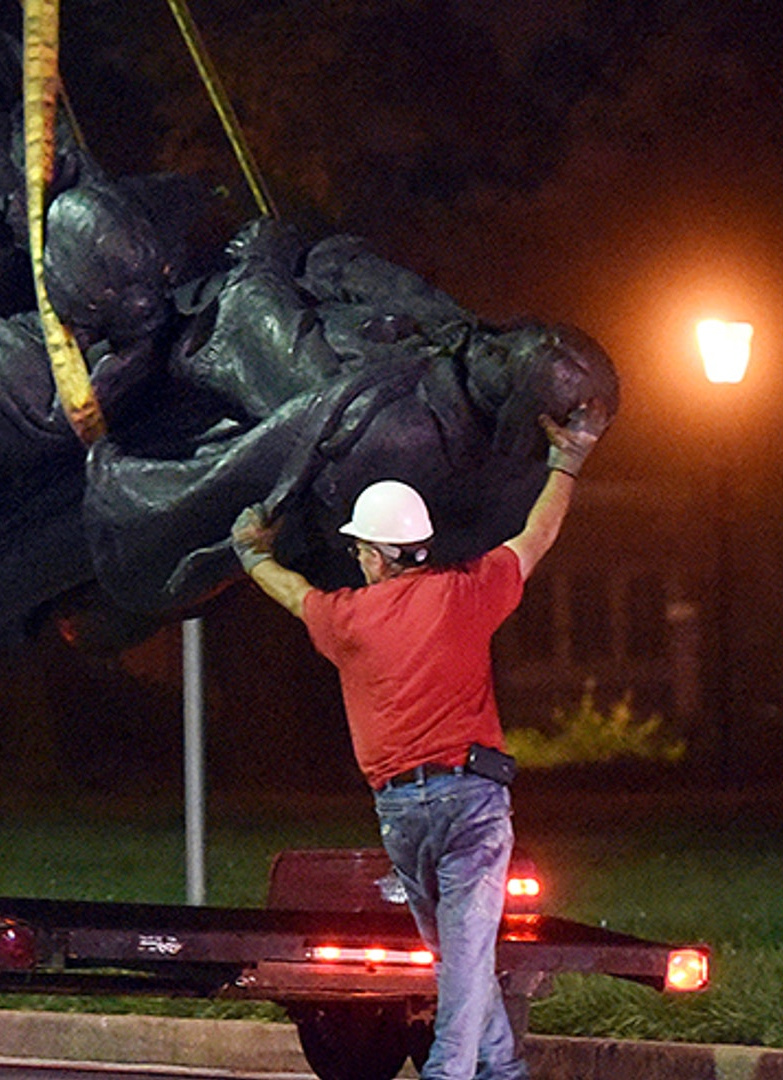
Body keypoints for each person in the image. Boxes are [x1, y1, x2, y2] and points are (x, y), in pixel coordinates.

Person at [229, 401, 609, 1080]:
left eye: (359, 549)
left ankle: (469, 1071)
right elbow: (538, 534)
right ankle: (479, 1068)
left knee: (459, 964)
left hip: (402, 816)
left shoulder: (349, 620)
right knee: (464, 966)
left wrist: (251, 554)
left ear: (376, 556)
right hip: (471, 805)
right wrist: (568, 460)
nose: (357, 559)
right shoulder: (467, 594)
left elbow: (293, 594)